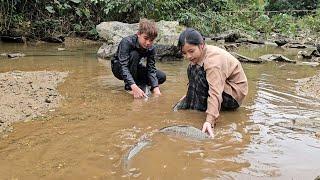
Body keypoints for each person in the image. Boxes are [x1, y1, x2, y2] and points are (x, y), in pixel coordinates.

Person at [175, 28, 248, 138]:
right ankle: (194, 108)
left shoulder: (213, 62)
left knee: (200, 75)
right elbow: (193, 80)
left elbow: (215, 93)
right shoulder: (198, 57)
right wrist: (189, 95)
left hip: (234, 96)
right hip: (223, 86)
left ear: (202, 45)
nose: (188, 56)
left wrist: (209, 121)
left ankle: (200, 116)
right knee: (192, 68)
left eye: (191, 51)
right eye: (184, 53)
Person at [111, 18, 166, 98]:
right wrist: (133, 87)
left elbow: (151, 69)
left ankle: (140, 85)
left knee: (161, 77)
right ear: (138, 34)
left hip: (136, 67)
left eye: (151, 40)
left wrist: (156, 89)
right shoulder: (126, 42)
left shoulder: (151, 48)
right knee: (135, 54)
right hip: (119, 68)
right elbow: (123, 66)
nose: (148, 43)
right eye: (146, 38)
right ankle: (129, 87)